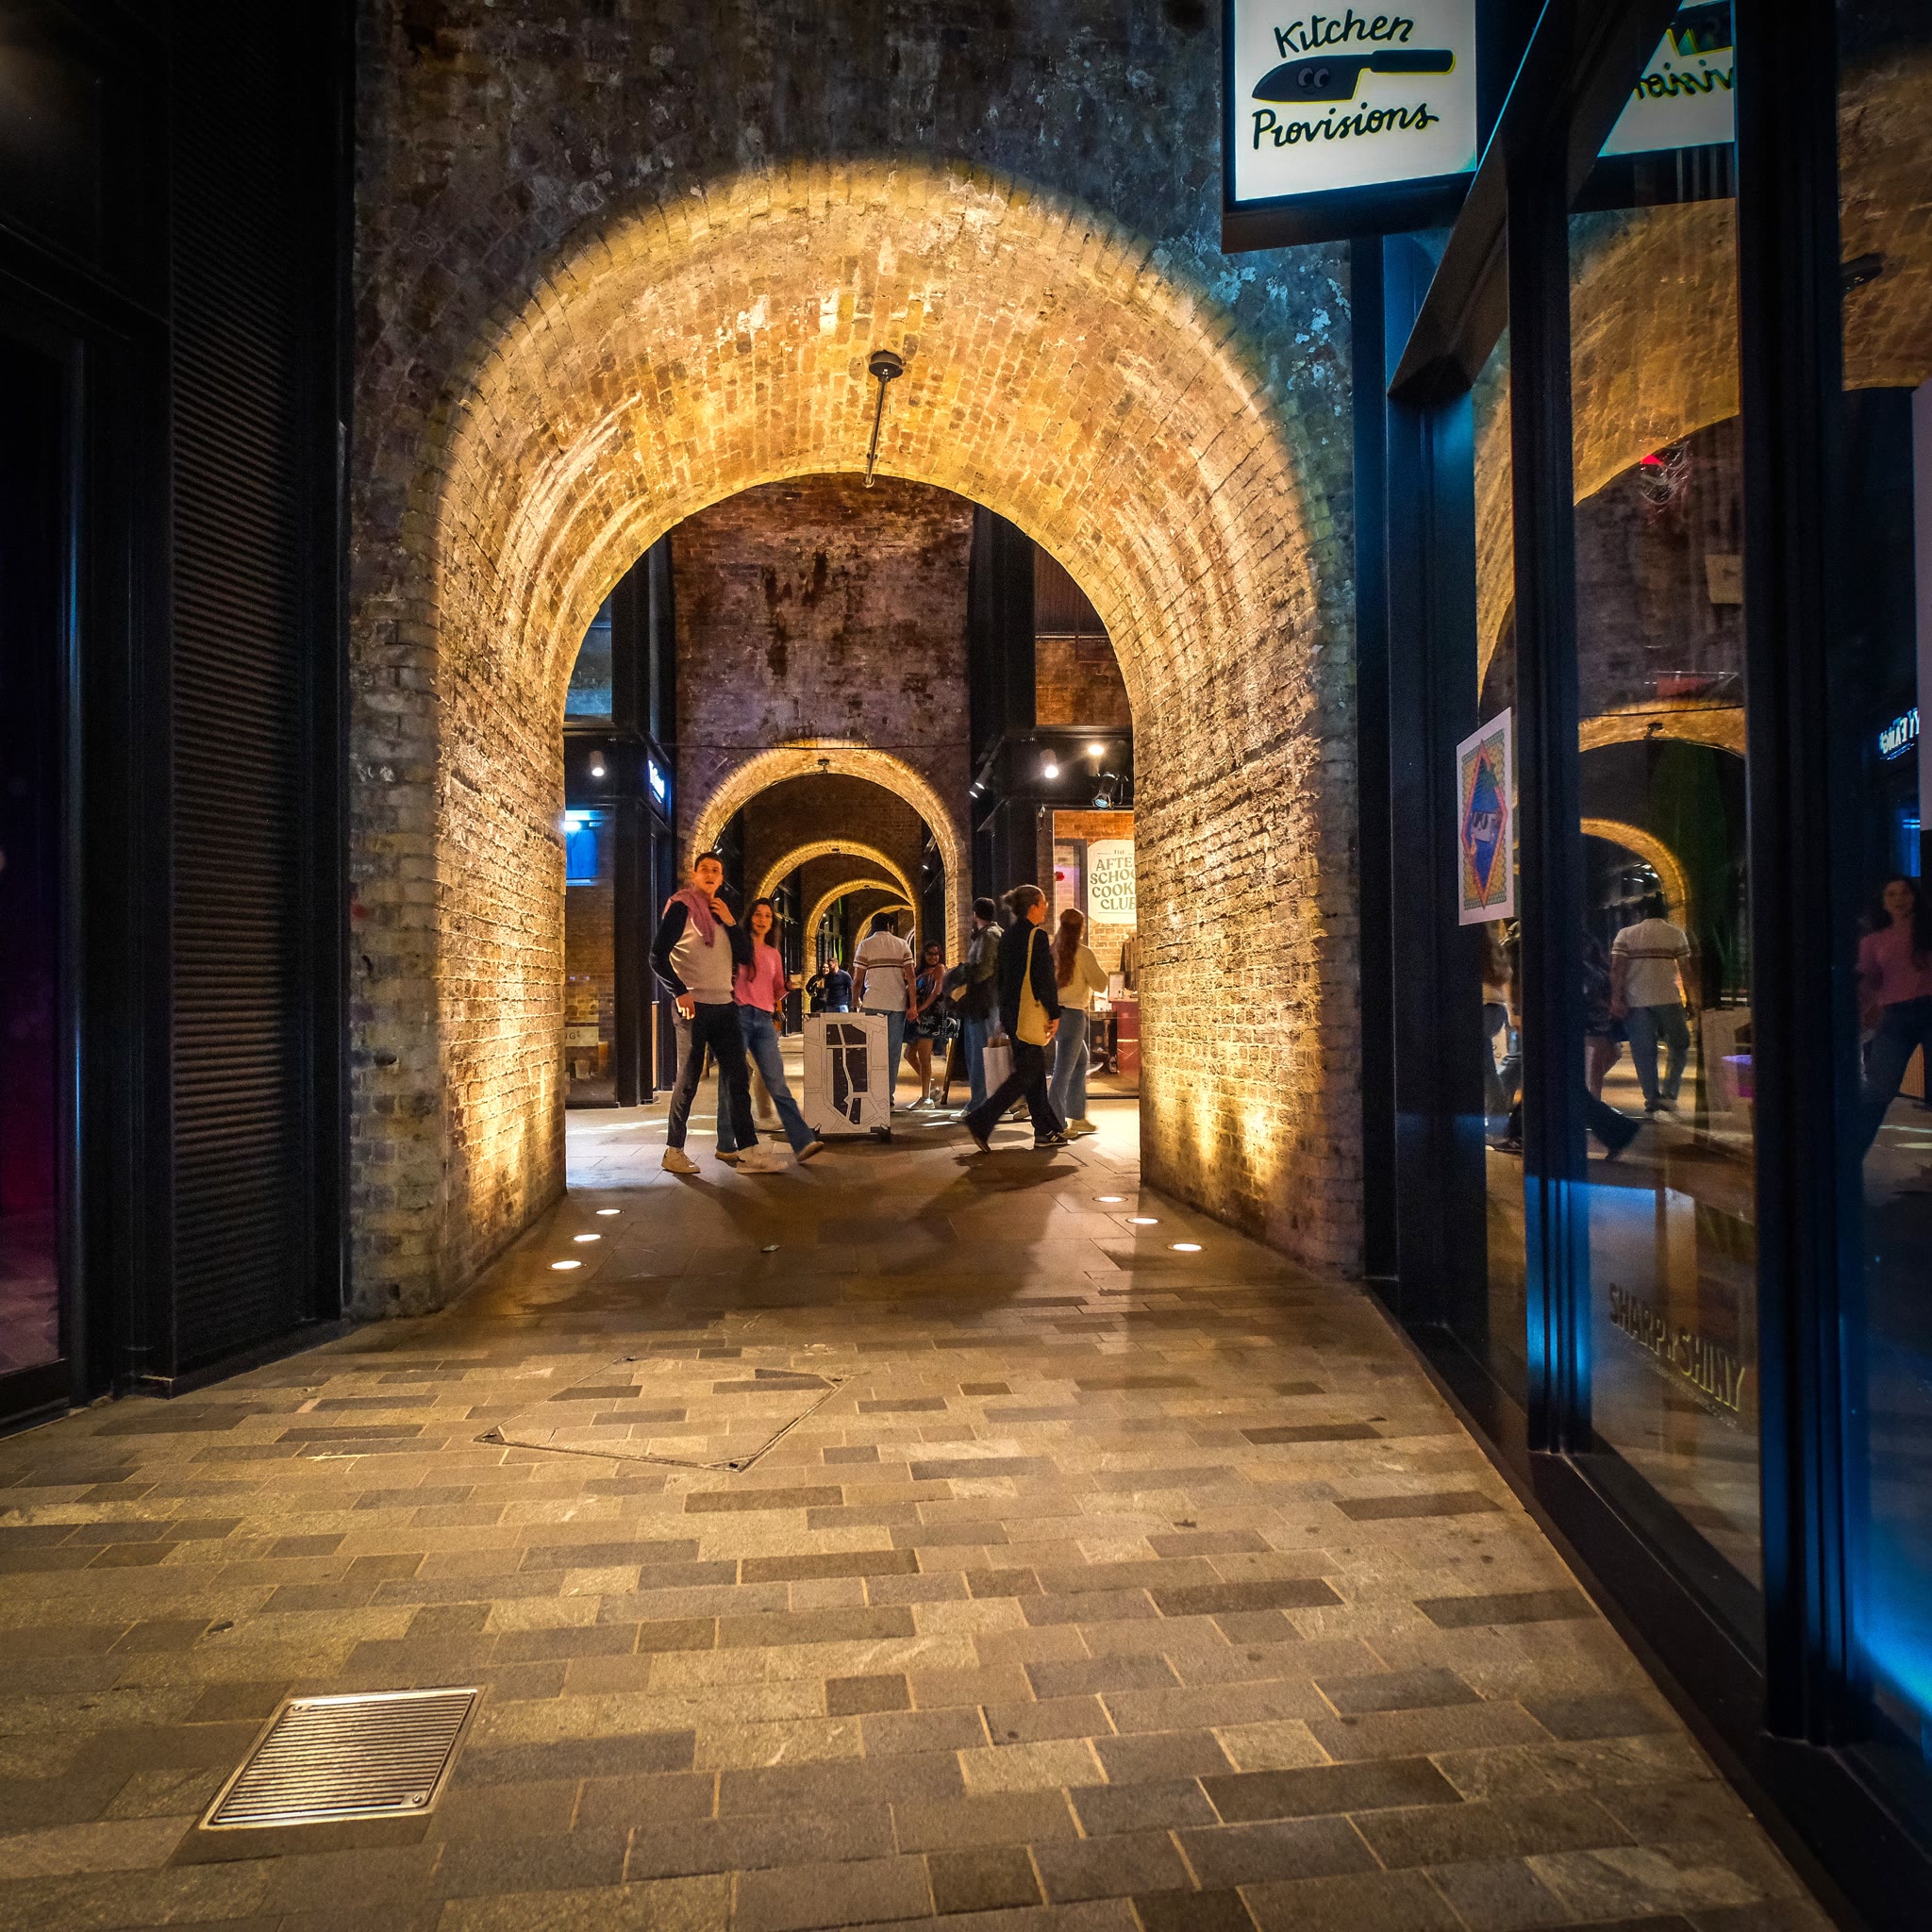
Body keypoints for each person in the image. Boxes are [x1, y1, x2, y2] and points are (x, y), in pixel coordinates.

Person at [649, 854, 784, 1174]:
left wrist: (731, 922)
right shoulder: (682, 907)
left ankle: (747, 1150)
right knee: (689, 1079)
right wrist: (679, 991)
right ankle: (673, 1151)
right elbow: (657, 956)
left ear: (721, 879)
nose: (711, 874)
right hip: (693, 1007)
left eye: (716, 870)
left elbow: (745, 956)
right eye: (705, 869)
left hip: (725, 1006)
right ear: (695, 875)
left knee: (738, 1077)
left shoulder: (722, 912)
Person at [960, 884, 1065, 1152]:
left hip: (1011, 1012)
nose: (1046, 907)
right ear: (1033, 907)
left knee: (1033, 1072)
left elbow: (1001, 978)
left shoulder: (1007, 936)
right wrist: (1054, 1012)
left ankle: (1046, 1130)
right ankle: (981, 1120)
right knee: (1025, 1074)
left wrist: (1004, 1014)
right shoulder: (1036, 936)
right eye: (1043, 903)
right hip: (1030, 1014)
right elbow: (1044, 979)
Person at [735, 898, 827, 1163]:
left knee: (777, 1081)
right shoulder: (738, 947)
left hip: (764, 1020)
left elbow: (775, 991)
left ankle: (803, 1141)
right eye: (758, 914)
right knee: (734, 1082)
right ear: (750, 918)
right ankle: (728, 1140)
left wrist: (787, 986)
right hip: (739, 1015)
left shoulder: (773, 953)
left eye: (767, 916)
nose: (762, 920)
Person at [1857, 874, 1932, 1156]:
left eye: (1904, 893)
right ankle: (1850, 1158)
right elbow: (1869, 983)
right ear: (1882, 901)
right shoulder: (1873, 941)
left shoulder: (1927, 931)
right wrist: (1862, 1014)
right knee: (1878, 1090)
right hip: (1896, 1016)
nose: (1899, 900)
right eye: (1891, 894)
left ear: (1915, 897)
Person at [1610, 895, 1693, 1114]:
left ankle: (1651, 1098)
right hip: (1669, 999)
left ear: (1642, 914)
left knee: (1643, 1052)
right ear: (1666, 913)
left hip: (1636, 1002)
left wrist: (1616, 998)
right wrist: (1692, 1000)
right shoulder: (1676, 934)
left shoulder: (1625, 934)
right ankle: (1670, 1094)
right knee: (1680, 1044)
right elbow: (1686, 971)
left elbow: (1617, 969)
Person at [1048, 907, 1108, 1136]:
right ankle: (1056, 1123)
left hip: (1056, 1014)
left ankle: (1077, 1115)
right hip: (1073, 1015)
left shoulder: (1054, 950)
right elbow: (1100, 984)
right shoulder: (1083, 953)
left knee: (1081, 1062)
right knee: (1063, 1070)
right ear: (1081, 928)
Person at [853, 911, 917, 1108]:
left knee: (870, 1051)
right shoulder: (902, 944)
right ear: (890, 926)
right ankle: (887, 1097)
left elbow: (858, 980)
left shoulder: (865, 945)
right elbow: (911, 977)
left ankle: (871, 1093)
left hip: (872, 1003)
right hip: (897, 1005)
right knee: (892, 1053)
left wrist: (855, 1002)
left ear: (873, 926)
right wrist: (913, 1005)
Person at [956, 896, 1003, 1112]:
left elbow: (983, 970)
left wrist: (963, 973)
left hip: (982, 1003)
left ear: (975, 914)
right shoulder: (993, 933)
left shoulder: (989, 936)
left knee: (979, 1054)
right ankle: (984, 1101)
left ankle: (978, 1104)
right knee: (983, 1053)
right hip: (987, 1002)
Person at [906, 940, 952, 1108]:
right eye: (930, 954)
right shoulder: (922, 971)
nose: (933, 957)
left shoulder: (940, 968)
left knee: (924, 1057)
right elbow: (909, 988)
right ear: (924, 955)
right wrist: (920, 976)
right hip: (919, 1017)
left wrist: (920, 1009)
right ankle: (931, 1088)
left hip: (931, 1017)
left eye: (936, 954)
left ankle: (926, 1098)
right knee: (909, 1054)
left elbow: (936, 992)